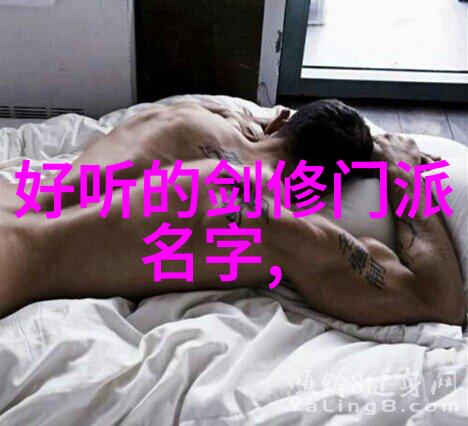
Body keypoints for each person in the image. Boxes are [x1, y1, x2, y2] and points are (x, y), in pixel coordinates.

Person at [0, 99, 465, 326]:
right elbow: (439, 300)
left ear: (278, 121)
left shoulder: (184, 114)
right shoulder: (274, 222)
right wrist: (403, 171)